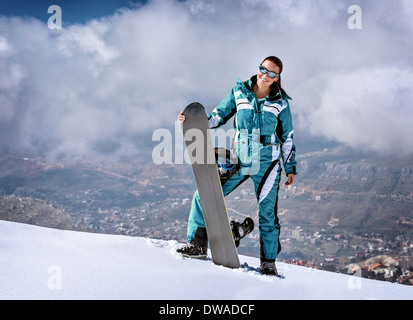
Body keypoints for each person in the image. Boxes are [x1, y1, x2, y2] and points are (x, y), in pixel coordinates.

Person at [177, 56, 297, 275]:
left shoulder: (281, 103)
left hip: (268, 163)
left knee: (268, 214)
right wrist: (195, 120)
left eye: (272, 73)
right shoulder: (239, 92)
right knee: (205, 194)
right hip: (240, 159)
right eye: (263, 69)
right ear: (258, 68)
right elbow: (218, 116)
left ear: (277, 78)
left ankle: (268, 262)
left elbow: (287, 137)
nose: (265, 75)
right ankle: (197, 245)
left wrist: (290, 167)